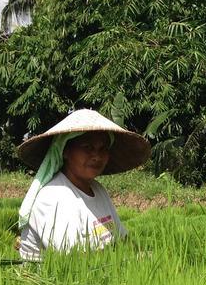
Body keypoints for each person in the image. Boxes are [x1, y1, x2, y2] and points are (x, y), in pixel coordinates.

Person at [17, 109, 151, 262]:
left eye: (103, 149)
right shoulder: (53, 196)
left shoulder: (98, 190)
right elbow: (74, 261)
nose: (97, 156)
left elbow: (122, 240)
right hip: (56, 281)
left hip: (98, 272)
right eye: (87, 147)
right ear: (65, 151)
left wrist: (145, 258)